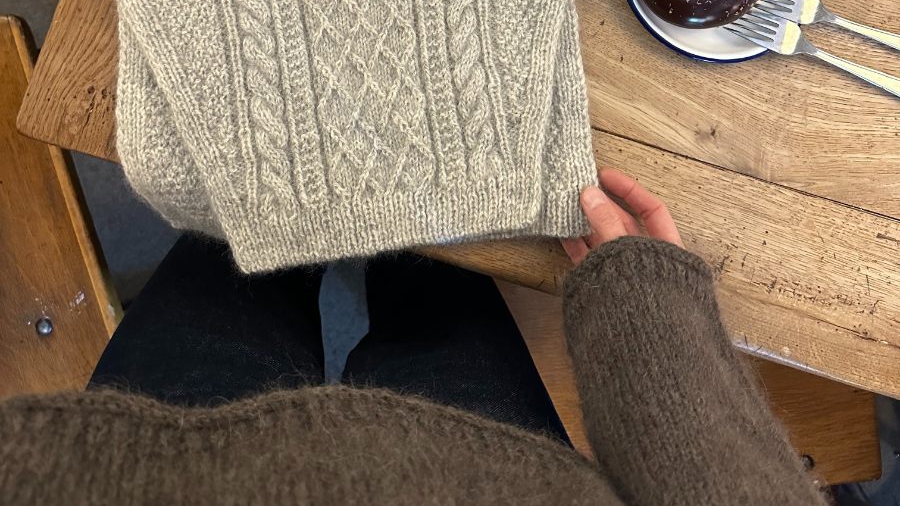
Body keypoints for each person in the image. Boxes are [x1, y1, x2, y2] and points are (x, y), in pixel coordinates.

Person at [1, 168, 824, 504]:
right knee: (439, 280)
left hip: (135, 475)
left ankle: (337, 188)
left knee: (241, 237)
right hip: (484, 478)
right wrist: (654, 323)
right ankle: (384, 199)